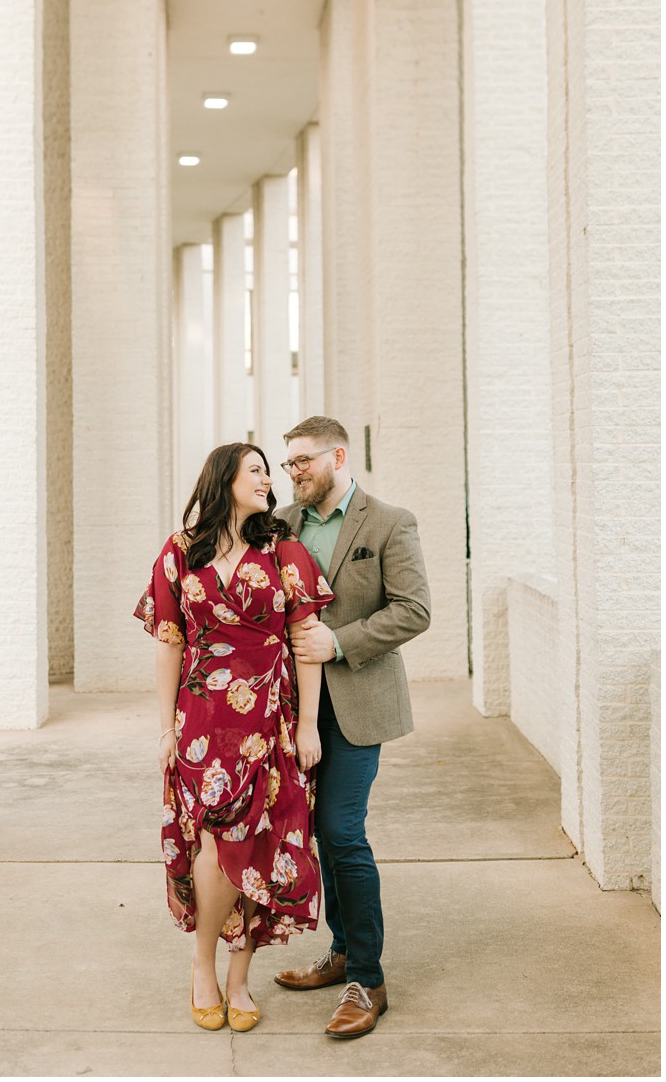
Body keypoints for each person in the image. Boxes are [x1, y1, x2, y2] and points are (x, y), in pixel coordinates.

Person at [134, 442, 333, 1033]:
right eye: (256, 471)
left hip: (269, 718)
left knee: (260, 845)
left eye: (270, 472)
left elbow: (306, 642)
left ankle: (239, 978)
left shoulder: (284, 552)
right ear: (224, 479)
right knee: (215, 845)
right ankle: (202, 965)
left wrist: (307, 725)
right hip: (202, 720)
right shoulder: (178, 552)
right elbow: (169, 640)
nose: (269, 479)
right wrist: (166, 726)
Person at [269, 416, 430, 1038]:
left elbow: (414, 609)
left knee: (342, 830)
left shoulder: (390, 521)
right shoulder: (280, 525)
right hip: (291, 711)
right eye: (288, 464)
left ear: (338, 456)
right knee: (315, 831)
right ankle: (340, 951)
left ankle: (368, 976)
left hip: (360, 704)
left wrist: (337, 642)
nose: (294, 472)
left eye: (303, 460)